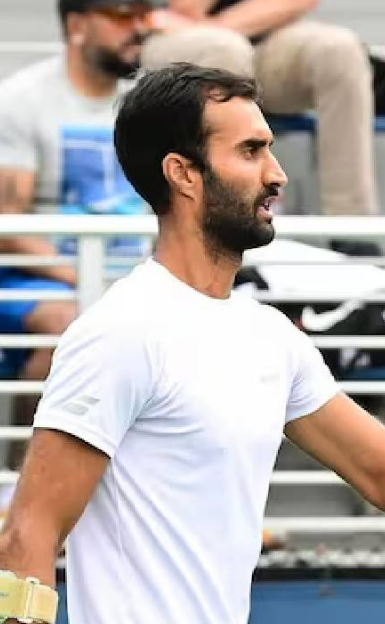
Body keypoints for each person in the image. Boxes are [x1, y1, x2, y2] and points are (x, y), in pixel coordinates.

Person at [0, 63, 385, 624]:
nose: (277, 173)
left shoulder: (268, 336)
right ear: (183, 174)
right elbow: (28, 531)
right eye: (251, 151)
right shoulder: (120, 331)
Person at [0, 0, 157, 512]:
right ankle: (24, 494)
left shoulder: (150, 104)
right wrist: (82, 279)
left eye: (143, 14)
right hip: (35, 279)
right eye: (121, 15)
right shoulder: (23, 100)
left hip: (134, 278)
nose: (138, 27)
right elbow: (8, 223)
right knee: (75, 329)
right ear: (76, 25)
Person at [142, 0, 379, 217]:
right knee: (225, 50)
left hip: (257, 32)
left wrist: (221, 25)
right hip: (167, 33)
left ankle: (351, 224)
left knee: (339, 48)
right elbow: (186, 6)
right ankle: (223, 221)